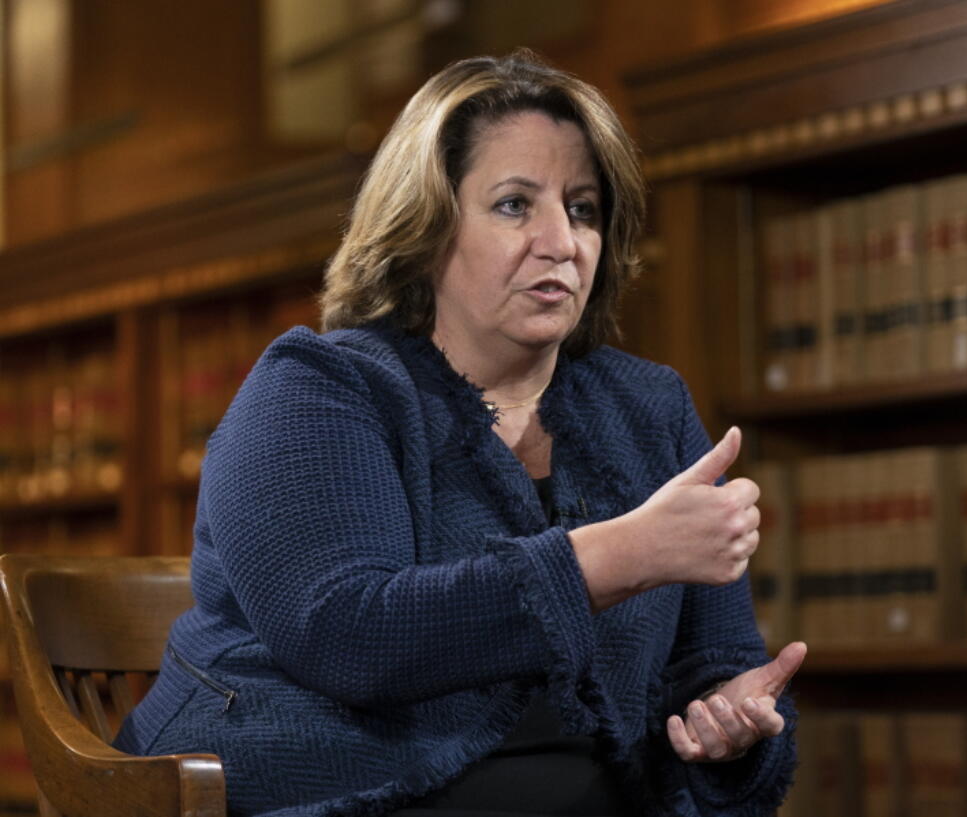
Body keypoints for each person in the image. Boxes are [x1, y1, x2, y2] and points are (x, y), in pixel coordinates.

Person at [114, 49, 805, 817]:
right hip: (341, 791)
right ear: (427, 225)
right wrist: (618, 555)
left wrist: (731, 722)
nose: (562, 241)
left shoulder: (648, 405)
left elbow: (715, 660)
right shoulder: (317, 386)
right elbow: (349, 635)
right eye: (515, 204)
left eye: (582, 209)